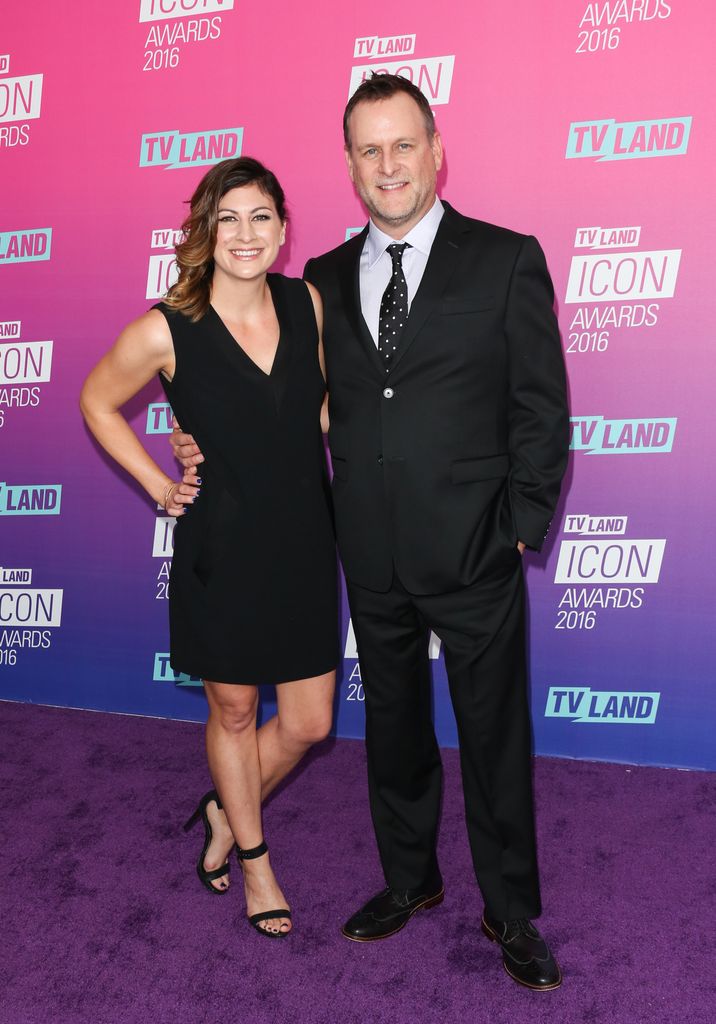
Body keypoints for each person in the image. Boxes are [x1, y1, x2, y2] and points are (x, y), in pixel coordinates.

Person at [173, 74, 569, 988]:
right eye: (368, 150)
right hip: (365, 550)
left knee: (493, 737)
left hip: (476, 547)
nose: (387, 165)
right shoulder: (315, 283)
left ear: (435, 151)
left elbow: (541, 411)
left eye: (403, 145)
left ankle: (510, 911)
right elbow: (268, 391)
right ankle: (410, 882)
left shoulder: (506, 259)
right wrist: (193, 435)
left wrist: (519, 528)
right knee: (393, 729)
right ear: (349, 167)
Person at [80, 157, 338, 939]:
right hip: (220, 544)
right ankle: (252, 856)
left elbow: (317, 412)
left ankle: (222, 809)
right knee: (233, 710)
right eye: (228, 218)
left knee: (309, 722)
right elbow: (97, 399)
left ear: (284, 230)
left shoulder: (308, 304)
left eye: (261, 216)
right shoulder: (167, 326)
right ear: (204, 231)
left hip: (302, 536)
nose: (246, 234)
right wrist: (162, 485)